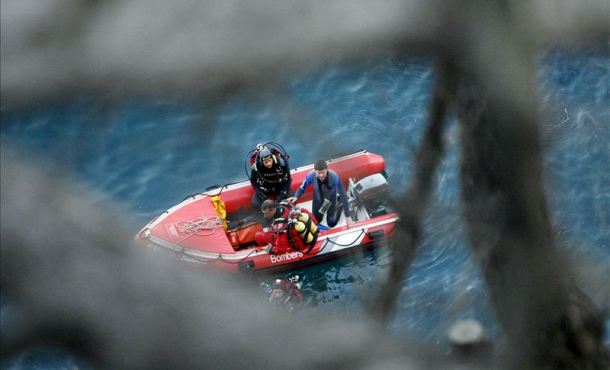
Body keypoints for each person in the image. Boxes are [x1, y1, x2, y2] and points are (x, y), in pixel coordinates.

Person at [287, 159, 352, 228]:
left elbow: (343, 195)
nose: (321, 175)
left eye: (323, 172)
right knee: (316, 220)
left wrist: (348, 216)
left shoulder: (334, 177)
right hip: (318, 198)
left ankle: (339, 203)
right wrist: (296, 197)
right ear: (315, 171)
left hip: (330, 198)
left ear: (327, 169)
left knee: (331, 223)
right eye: (319, 173)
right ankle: (325, 208)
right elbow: (302, 188)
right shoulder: (311, 175)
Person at [254, 199, 319, 255]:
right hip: (304, 231)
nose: (265, 216)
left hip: (299, 244)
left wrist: (270, 250)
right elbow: (302, 211)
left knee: (258, 236)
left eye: (266, 213)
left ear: (273, 209)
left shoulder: (280, 224)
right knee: (302, 211)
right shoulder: (286, 204)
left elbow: (281, 249)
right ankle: (315, 228)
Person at [249, 144, 293, 209]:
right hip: (265, 188)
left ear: (273, 158)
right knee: (255, 203)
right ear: (261, 161)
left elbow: (289, 179)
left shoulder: (281, 163)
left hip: (280, 186)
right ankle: (265, 215)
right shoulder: (257, 166)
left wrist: (282, 194)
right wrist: (261, 195)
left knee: (291, 198)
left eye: (269, 160)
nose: (268, 164)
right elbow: (253, 180)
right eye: (266, 162)